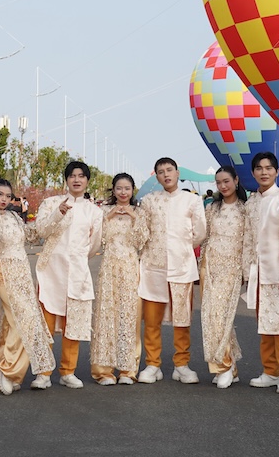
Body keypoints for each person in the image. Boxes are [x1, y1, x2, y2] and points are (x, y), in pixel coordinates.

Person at [0, 178, 55, 395]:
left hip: (22, 274)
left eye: (7, 196)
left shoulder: (13, 216)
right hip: (4, 272)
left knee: (17, 322)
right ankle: (8, 369)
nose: (4, 199)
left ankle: (6, 372)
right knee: (20, 320)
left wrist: (56, 215)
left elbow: (32, 235)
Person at [32, 161, 103, 389]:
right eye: (72, 175)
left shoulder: (94, 211)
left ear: (87, 180)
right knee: (45, 324)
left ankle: (68, 371)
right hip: (51, 271)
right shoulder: (51, 203)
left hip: (78, 272)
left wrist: (78, 258)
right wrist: (58, 213)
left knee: (74, 324)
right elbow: (41, 231)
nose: (77, 180)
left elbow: (94, 244)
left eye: (81, 176)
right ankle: (43, 373)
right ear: (66, 179)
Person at [136, 157, 207, 384]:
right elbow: (142, 231)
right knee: (152, 320)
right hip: (153, 267)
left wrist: (182, 248)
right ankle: (152, 364)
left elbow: (200, 232)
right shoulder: (149, 201)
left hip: (182, 267)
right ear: (156, 177)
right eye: (161, 172)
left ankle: (181, 365)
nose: (166, 174)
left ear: (177, 173)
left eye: (169, 170)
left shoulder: (191, 200)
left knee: (182, 319)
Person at [243, 151, 279, 395]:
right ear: (253, 172)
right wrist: (246, 271)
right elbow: (247, 239)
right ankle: (270, 371)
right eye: (259, 168)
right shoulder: (251, 203)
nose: (264, 172)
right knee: (264, 324)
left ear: (277, 172)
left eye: (268, 168)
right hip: (258, 273)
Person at [90, 172, 149, 386]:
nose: (123, 192)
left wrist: (134, 217)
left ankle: (127, 369)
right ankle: (104, 371)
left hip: (131, 267)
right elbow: (98, 238)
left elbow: (142, 241)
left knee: (129, 315)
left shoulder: (140, 213)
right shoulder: (104, 212)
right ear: (113, 190)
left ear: (132, 190)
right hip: (109, 267)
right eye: (119, 188)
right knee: (106, 315)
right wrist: (108, 217)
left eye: (127, 188)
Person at [199, 165, 247, 389]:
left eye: (226, 181)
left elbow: (249, 242)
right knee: (210, 317)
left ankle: (225, 365)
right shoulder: (212, 208)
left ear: (236, 180)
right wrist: (201, 266)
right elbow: (205, 237)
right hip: (210, 266)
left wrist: (246, 270)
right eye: (219, 183)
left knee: (222, 317)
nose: (223, 186)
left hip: (232, 268)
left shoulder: (245, 209)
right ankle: (228, 367)